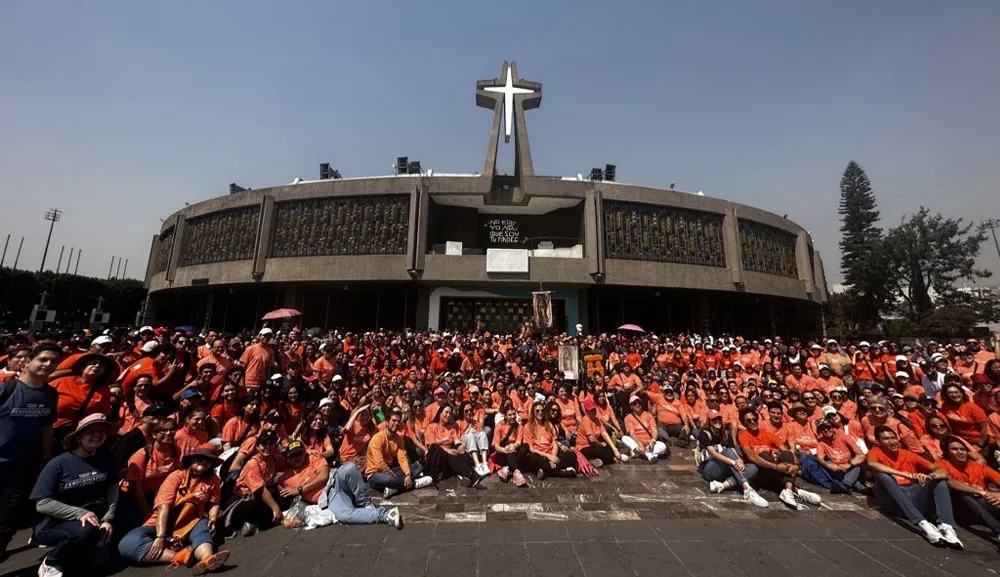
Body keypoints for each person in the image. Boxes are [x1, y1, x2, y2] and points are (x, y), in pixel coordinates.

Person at [30, 414, 118, 577]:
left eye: (101, 431)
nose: (97, 435)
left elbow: (112, 488)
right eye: (91, 432)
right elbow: (42, 503)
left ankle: (93, 546)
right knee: (84, 532)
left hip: (95, 517)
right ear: (78, 437)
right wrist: (80, 513)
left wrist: (108, 519)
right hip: (55, 523)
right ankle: (51, 562)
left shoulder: (106, 458)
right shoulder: (58, 464)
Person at [117, 449, 229, 574]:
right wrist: (160, 536)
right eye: (200, 460)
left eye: (209, 461)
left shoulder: (213, 479)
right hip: (162, 522)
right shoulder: (176, 476)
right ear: (192, 460)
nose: (204, 463)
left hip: (191, 521)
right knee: (127, 544)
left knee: (203, 527)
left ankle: (207, 558)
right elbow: (163, 506)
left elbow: (214, 502)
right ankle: (181, 556)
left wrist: (213, 518)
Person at [0, 343, 60, 561]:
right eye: (43, 359)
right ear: (28, 361)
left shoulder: (50, 394)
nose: (48, 364)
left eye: (54, 361)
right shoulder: (6, 388)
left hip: (23, 465)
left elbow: (46, 426)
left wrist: (46, 458)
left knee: (7, 517)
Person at [865, 425, 962, 548]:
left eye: (893, 438)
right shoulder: (875, 452)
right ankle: (922, 524)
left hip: (914, 495)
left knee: (940, 481)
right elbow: (872, 464)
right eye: (886, 439)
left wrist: (930, 477)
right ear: (878, 442)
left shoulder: (907, 454)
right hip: (893, 500)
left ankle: (947, 526)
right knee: (883, 476)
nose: (892, 441)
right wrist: (906, 475)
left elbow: (941, 470)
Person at [737, 408, 822, 510]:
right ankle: (795, 490)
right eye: (749, 420)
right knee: (764, 454)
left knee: (786, 454)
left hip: (776, 470)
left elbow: (786, 450)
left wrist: (796, 465)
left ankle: (788, 490)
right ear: (744, 423)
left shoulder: (767, 433)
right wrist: (777, 467)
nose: (753, 422)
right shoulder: (743, 436)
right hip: (761, 471)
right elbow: (752, 457)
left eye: (754, 419)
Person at [936, 435, 1000, 544]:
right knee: (964, 494)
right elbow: (949, 482)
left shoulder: (977, 466)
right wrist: (981, 492)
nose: (960, 452)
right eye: (954, 449)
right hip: (964, 507)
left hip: (985, 504)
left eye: (963, 449)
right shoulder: (941, 464)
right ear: (947, 452)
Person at [49, 353, 117, 454]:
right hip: (50, 432)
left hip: (77, 437)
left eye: (101, 366)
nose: (97, 366)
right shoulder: (60, 382)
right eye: (93, 363)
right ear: (83, 367)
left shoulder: (103, 391)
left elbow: (103, 415)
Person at [698, 409, 769, 507]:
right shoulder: (704, 434)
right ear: (709, 421)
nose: (717, 421)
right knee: (727, 451)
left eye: (719, 419)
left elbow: (734, 451)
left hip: (727, 470)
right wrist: (732, 462)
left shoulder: (726, 434)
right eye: (714, 420)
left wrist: (739, 461)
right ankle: (747, 489)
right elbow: (713, 453)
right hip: (710, 469)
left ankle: (723, 485)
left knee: (752, 468)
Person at [366, 409, 432, 498]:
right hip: (375, 474)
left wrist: (408, 474)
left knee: (417, 467)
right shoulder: (377, 438)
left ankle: (395, 488)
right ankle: (414, 484)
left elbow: (402, 458)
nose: (396, 423)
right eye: (393, 420)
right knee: (388, 479)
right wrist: (392, 475)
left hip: (390, 470)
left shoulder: (399, 439)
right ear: (386, 422)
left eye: (398, 421)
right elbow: (379, 464)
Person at [326, 461, 402, 529]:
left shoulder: (315, 456)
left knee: (349, 468)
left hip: (333, 480)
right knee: (342, 515)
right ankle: (386, 514)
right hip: (328, 495)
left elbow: (323, 474)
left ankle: (366, 503)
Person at [814, 418, 867, 493]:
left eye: (828, 427)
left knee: (857, 465)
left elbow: (861, 455)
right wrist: (829, 466)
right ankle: (861, 488)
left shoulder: (843, 437)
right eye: (822, 429)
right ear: (820, 431)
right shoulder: (821, 442)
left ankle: (844, 485)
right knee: (828, 463)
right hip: (839, 471)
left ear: (832, 427)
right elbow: (820, 458)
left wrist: (849, 464)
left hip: (852, 467)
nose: (826, 430)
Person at [576, 398, 624, 467]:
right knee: (600, 451)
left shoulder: (597, 419)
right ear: (586, 411)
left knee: (610, 447)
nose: (593, 412)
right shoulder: (586, 420)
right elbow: (591, 439)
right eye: (591, 410)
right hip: (584, 447)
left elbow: (604, 433)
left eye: (594, 409)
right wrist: (601, 444)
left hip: (595, 445)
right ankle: (611, 459)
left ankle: (596, 460)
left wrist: (614, 449)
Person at [622, 395, 668, 463]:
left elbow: (654, 430)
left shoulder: (648, 415)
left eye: (639, 403)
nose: (637, 404)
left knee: (663, 446)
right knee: (624, 438)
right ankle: (649, 455)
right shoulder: (628, 418)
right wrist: (640, 444)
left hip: (649, 444)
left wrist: (653, 440)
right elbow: (632, 433)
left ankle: (641, 453)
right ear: (631, 406)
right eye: (634, 403)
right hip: (637, 443)